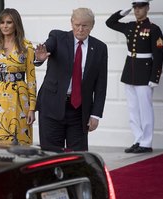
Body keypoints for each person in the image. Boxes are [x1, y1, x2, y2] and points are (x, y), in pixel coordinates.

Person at [35, 8, 108, 151]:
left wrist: (95, 114)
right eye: (77, 25)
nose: (80, 29)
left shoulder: (100, 48)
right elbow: (47, 47)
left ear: (92, 26)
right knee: (51, 155)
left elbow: (101, 84)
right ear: (71, 23)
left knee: (78, 157)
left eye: (85, 25)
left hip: (79, 111)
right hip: (52, 107)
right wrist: (39, 58)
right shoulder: (57, 37)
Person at [106, 0, 163, 153]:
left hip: (145, 74)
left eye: (140, 7)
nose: (137, 10)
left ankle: (146, 142)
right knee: (133, 109)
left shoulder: (153, 29)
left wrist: (154, 77)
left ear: (147, 8)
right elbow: (110, 22)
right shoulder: (130, 26)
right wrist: (124, 11)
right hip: (129, 72)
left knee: (145, 109)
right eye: (135, 8)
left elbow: (158, 55)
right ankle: (138, 139)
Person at [0, 8, 37, 145]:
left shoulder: (27, 46)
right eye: (2, 22)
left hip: (20, 98)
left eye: (9, 22)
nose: (5, 26)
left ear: (16, 24)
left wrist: (32, 108)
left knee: (22, 143)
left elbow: (31, 78)